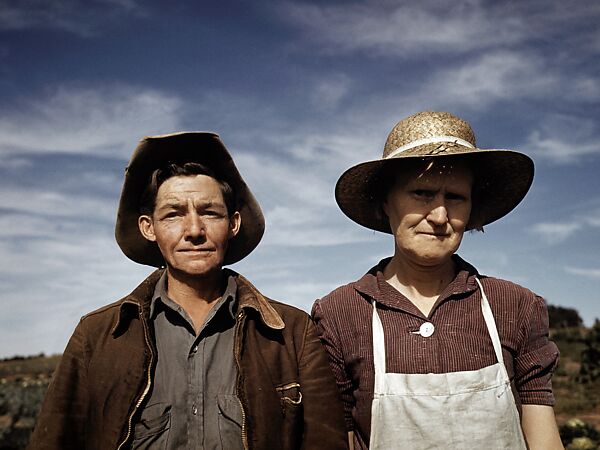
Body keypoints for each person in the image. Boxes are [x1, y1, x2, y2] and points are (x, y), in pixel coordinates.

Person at [28, 132, 347, 450]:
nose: (194, 230)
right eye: (174, 214)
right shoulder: (97, 337)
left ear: (233, 224)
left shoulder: (292, 333)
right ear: (148, 227)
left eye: (210, 212)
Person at [312, 111, 563, 450]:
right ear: (387, 202)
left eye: (455, 198)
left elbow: (543, 439)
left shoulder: (516, 306)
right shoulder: (340, 312)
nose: (440, 216)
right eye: (422, 193)